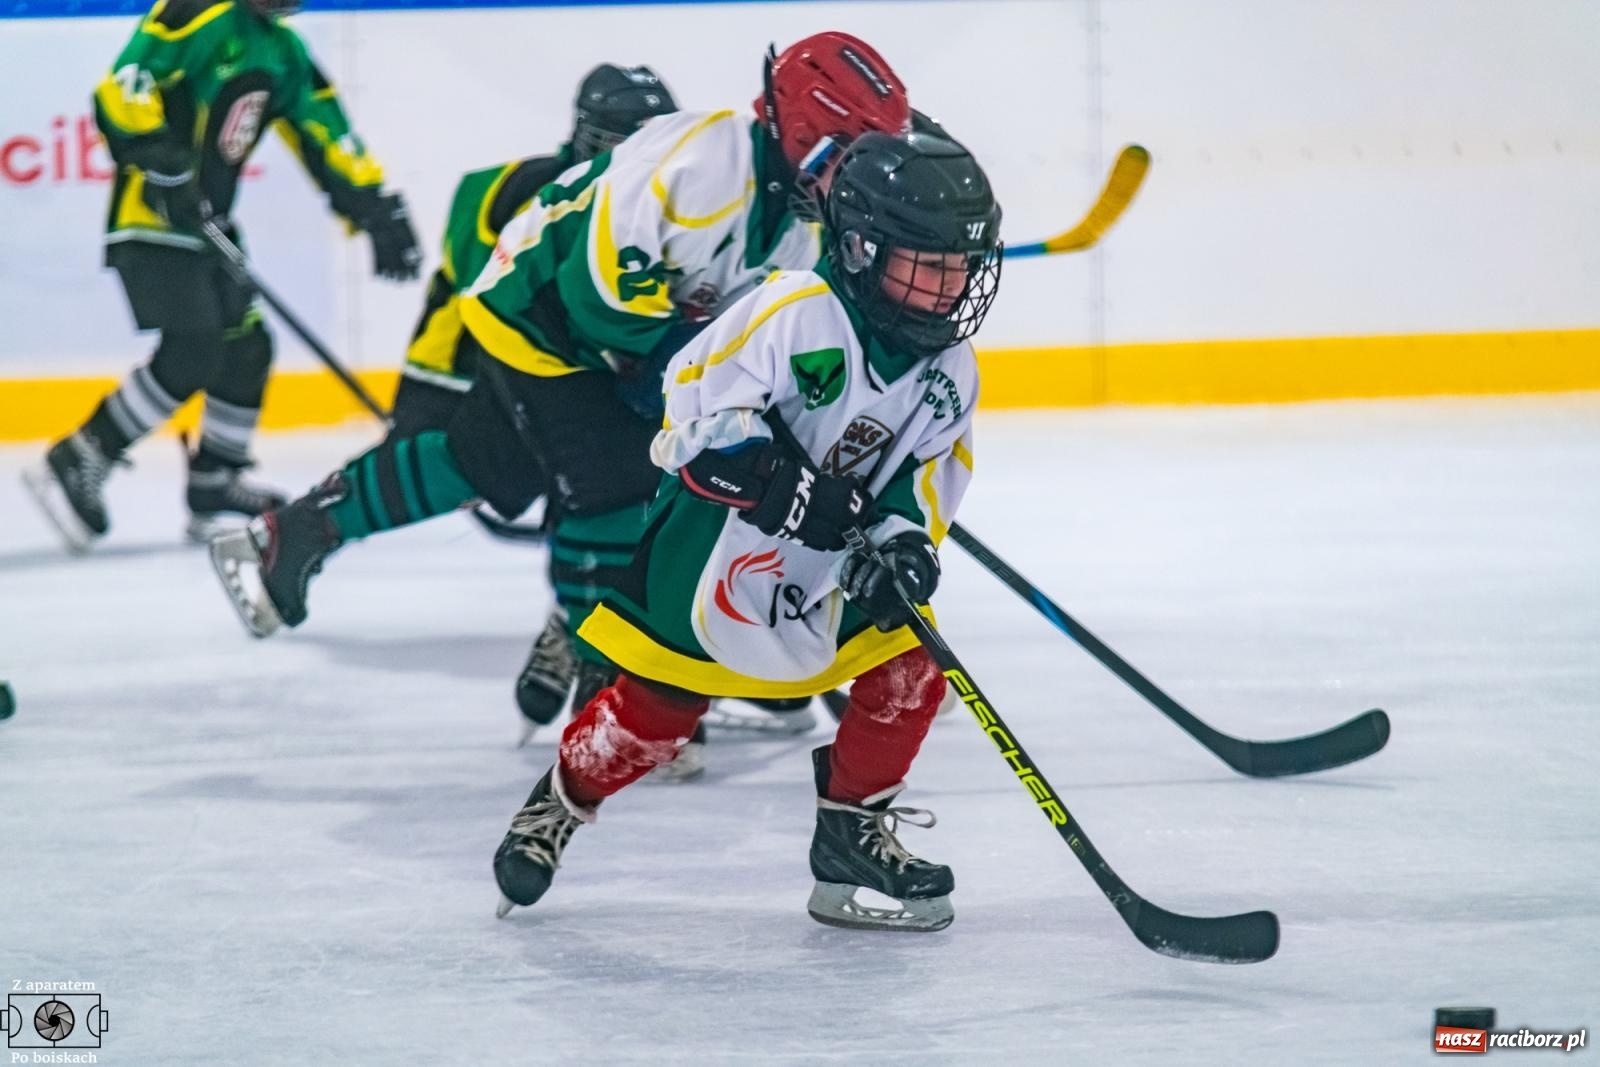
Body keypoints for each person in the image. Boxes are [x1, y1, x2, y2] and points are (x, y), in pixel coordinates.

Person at [208, 32, 911, 735]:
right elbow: (596, 301)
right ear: (806, 133)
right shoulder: (702, 174)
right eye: (849, 157)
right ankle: (608, 684)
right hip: (541, 312)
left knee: (489, 459)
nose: (858, 181)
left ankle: (299, 530)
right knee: (616, 480)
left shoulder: (794, 218)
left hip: (602, 331)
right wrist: (682, 374)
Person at [490, 127, 1004, 932]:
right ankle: (559, 801)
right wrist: (780, 484)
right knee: (654, 714)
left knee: (910, 673)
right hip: (715, 549)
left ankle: (851, 834)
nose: (951, 287)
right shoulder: (794, 312)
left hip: (834, 562)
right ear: (865, 248)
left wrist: (905, 540)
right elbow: (690, 416)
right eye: (929, 265)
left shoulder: (952, 372)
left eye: (962, 268)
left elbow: (931, 473)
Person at [24, 0, 420, 551]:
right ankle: (82, 453)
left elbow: (324, 132)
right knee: (195, 347)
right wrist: (160, 158)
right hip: (152, 217)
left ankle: (214, 484)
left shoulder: (286, 53)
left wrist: (374, 208)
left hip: (210, 224)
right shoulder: (196, 12)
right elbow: (124, 84)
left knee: (246, 346)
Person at [384, 63, 679, 732]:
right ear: (588, 138)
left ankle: (596, 625)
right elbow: (487, 316)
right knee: (592, 474)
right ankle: (589, 629)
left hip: (596, 385)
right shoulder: (515, 195)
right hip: (477, 379)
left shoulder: (664, 212)